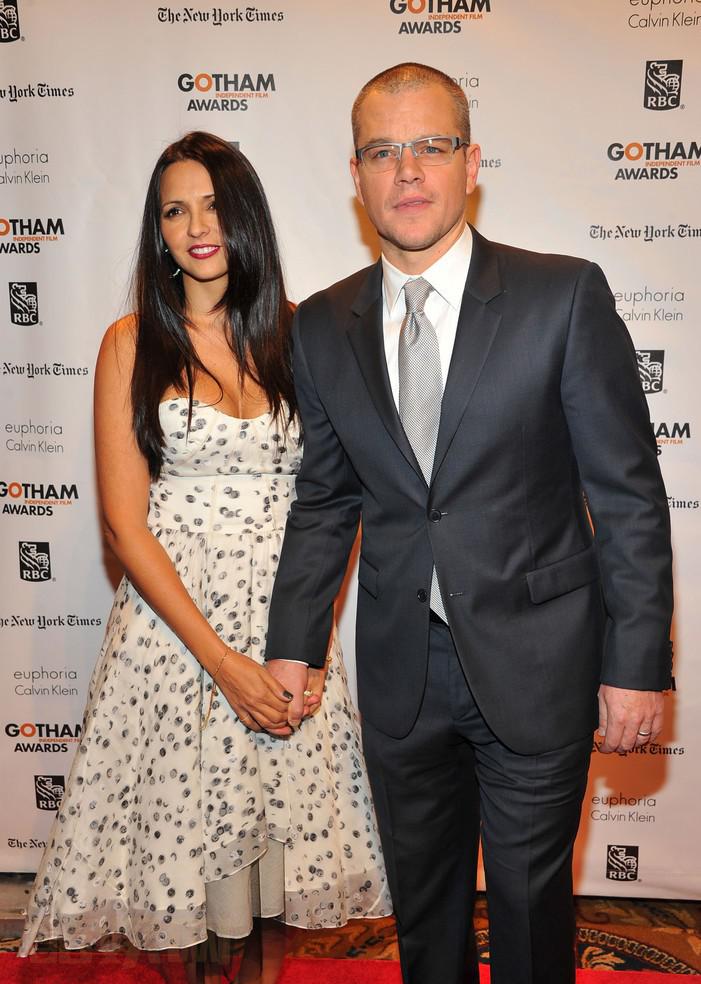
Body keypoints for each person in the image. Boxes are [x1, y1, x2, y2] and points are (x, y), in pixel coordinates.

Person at [264, 64, 673, 984]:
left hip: (539, 663)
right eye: (382, 152)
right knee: (424, 917)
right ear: (356, 175)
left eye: (430, 146)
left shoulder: (560, 296)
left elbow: (626, 495)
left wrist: (635, 662)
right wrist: (294, 643)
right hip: (402, 674)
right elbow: (325, 499)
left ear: (471, 162)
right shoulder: (321, 325)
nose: (407, 171)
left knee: (529, 913)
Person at [19, 132, 391, 969]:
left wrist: (304, 646)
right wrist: (222, 664)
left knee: (272, 881)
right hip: (175, 641)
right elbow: (125, 528)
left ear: (244, 216)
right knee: (190, 879)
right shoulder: (131, 343)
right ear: (157, 231)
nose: (195, 227)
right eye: (173, 211)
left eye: (213, 205)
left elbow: (335, 501)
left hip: (286, 634)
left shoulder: (301, 335)